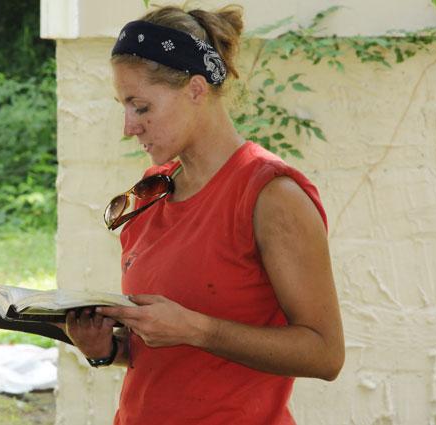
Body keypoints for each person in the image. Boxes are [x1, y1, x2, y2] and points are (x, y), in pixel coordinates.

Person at [64, 5, 345, 424]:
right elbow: (167, 353)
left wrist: (198, 329)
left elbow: (325, 354)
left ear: (196, 89)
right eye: (123, 106)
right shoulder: (152, 190)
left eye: (141, 107)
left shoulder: (271, 195)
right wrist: (105, 349)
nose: (128, 126)